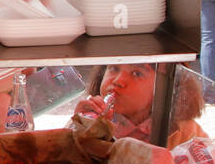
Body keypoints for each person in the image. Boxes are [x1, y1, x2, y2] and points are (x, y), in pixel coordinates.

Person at [72, 63, 205, 149]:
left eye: (137, 73)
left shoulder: (185, 133)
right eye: (114, 68)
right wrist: (80, 129)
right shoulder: (91, 117)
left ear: (166, 86)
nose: (118, 80)